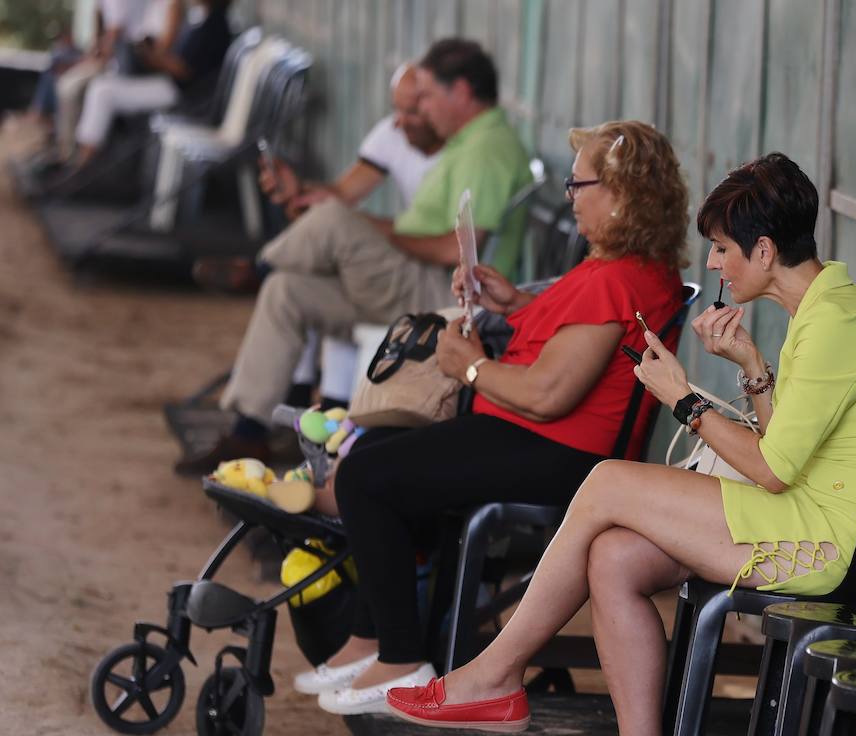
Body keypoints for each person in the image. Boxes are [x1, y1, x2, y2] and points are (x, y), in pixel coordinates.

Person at [384, 152, 856, 736]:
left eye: (724, 250)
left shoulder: (835, 322)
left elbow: (772, 468)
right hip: (807, 516)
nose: (716, 267)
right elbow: (791, 447)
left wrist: (683, 401)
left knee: (608, 480)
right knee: (613, 555)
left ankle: (494, 674)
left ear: (763, 249)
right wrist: (752, 364)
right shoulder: (822, 311)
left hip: (829, 546)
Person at [291, 120, 689, 717]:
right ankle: (369, 641)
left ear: (622, 194)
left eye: (579, 185)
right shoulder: (630, 267)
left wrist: (468, 367)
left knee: (366, 477)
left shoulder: (613, 277)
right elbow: (578, 337)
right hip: (553, 443)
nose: (570, 197)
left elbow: (550, 392)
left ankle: (401, 656)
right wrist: (518, 305)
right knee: (373, 458)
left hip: (556, 450)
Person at [174, 38, 532, 475]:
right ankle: (248, 434)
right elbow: (376, 211)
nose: (421, 108)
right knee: (286, 290)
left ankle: (258, 265)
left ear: (460, 91)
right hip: (410, 279)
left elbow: (447, 249)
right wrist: (360, 222)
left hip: (447, 297)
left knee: (334, 221)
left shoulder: (488, 148)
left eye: (427, 97)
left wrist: (371, 231)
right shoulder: (466, 142)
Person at [192, 62, 444, 295]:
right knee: (287, 289)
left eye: (410, 111)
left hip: (430, 269)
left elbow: (445, 244)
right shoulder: (393, 133)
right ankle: (263, 271)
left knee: (333, 220)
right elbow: (343, 193)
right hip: (400, 251)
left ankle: (260, 270)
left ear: (435, 106)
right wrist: (299, 189)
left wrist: (351, 220)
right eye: (396, 109)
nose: (399, 122)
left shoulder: (463, 152)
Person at [69, 0, 233, 169]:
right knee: (103, 86)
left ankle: (84, 164)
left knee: (102, 91)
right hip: (172, 85)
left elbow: (184, 70)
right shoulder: (200, 18)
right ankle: (85, 161)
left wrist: (150, 56)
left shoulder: (215, 23)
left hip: (182, 94)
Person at [54, 0, 159, 162]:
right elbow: (100, 27)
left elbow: (116, 33)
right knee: (65, 79)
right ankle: (66, 154)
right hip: (115, 60)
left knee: (73, 87)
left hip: (126, 64)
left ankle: (73, 159)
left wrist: (94, 58)